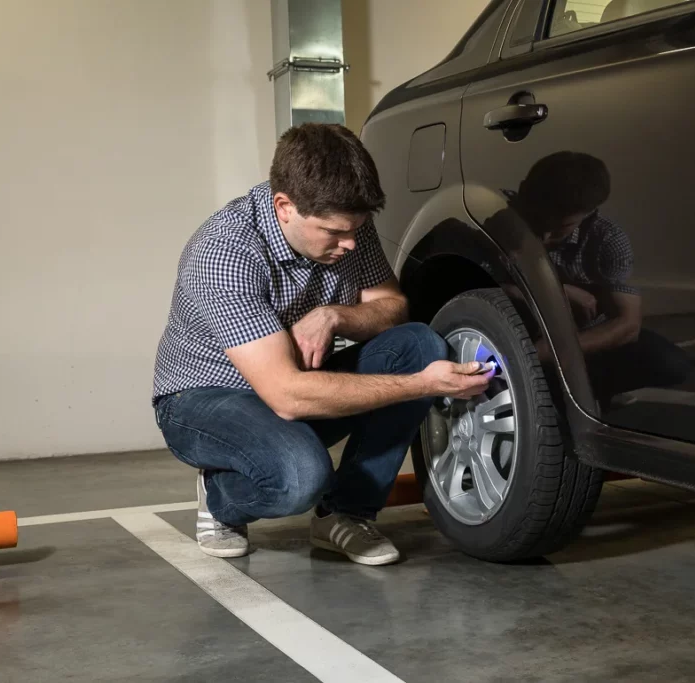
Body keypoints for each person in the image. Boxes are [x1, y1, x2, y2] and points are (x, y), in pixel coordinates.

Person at [152, 124, 492, 565]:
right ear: (285, 207)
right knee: (299, 476)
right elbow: (287, 396)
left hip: (295, 382)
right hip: (204, 400)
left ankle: (345, 515)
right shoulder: (225, 252)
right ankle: (221, 493)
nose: (350, 243)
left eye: (357, 229)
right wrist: (422, 387)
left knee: (418, 345)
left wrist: (335, 316)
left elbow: (392, 307)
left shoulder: (347, 227)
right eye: (334, 232)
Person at [505, 151, 690, 410]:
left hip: (573, 342)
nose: (546, 236)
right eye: (539, 218)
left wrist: (547, 352)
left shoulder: (608, 240)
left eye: (562, 227)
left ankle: (572, 390)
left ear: (589, 214)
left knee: (669, 362)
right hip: (511, 332)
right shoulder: (493, 219)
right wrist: (559, 291)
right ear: (524, 191)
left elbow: (627, 325)